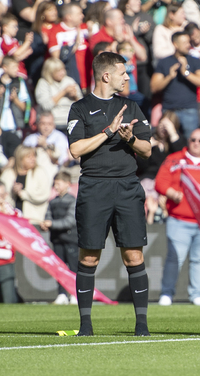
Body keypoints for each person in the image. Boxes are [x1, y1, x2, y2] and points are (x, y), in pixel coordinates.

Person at [67, 52, 152, 336]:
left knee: (134, 257)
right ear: (106, 76)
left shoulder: (131, 107)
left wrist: (131, 139)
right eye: (123, 73)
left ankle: (142, 326)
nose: (127, 77)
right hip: (94, 187)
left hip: (127, 186)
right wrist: (108, 131)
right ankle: (85, 327)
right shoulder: (79, 108)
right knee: (89, 257)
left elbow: (147, 150)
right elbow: (76, 149)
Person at [155, 128, 200, 306]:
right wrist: (171, 192)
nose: (196, 143)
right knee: (174, 258)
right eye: (193, 139)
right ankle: (167, 293)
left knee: (199, 259)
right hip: (179, 219)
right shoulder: (174, 159)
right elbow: (160, 182)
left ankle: (196, 294)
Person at [151, 31, 200, 138]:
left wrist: (186, 73)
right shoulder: (164, 62)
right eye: (184, 42)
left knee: (190, 143)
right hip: (169, 111)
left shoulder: (195, 61)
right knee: (167, 144)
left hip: (189, 111)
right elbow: (154, 87)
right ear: (175, 44)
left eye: (188, 42)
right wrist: (169, 76)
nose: (188, 45)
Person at [40, 171, 79, 305]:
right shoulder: (53, 202)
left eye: (58, 183)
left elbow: (70, 221)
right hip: (57, 240)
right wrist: (45, 224)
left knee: (73, 268)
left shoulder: (72, 201)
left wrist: (52, 224)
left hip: (71, 240)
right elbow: (48, 216)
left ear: (68, 184)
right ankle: (62, 294)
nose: (56, 186)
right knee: (59, 268)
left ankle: (74, 294)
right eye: (55, 184)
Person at [0, 145, 52, 223]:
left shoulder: (40, 172)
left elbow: (43, 194)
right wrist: (13, 191)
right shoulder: (8, 173)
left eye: (34, 156)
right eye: (29, 157)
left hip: (34, 220)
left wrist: (22, 193)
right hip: (11, 220)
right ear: (20, 159)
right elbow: (2, 194)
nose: (33, 159)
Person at [0, 56, 30, 138]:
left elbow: (24, 107)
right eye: (14, 67)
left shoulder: (19, 83)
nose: (17, 70)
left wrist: (15, 100)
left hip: (15, 125)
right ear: (5, 68)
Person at [35, 58, 83, 133]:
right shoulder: (43, 83)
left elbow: (82, 105)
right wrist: (63, 92)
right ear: (50, 72)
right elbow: (46, 106)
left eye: (63, 69)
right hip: (53, 124)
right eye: (58, 71)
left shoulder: (69, 81)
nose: (63, 73)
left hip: (70, 121)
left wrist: (75, 96)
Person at [0, 14, 33, 79]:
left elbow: (19, 56)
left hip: (22, 72)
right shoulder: (6, 41)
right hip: (16, 74)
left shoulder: (14, 41)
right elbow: (16, 54)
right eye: (14, 27)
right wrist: (27, 42)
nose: (16, 29)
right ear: (5, 27)